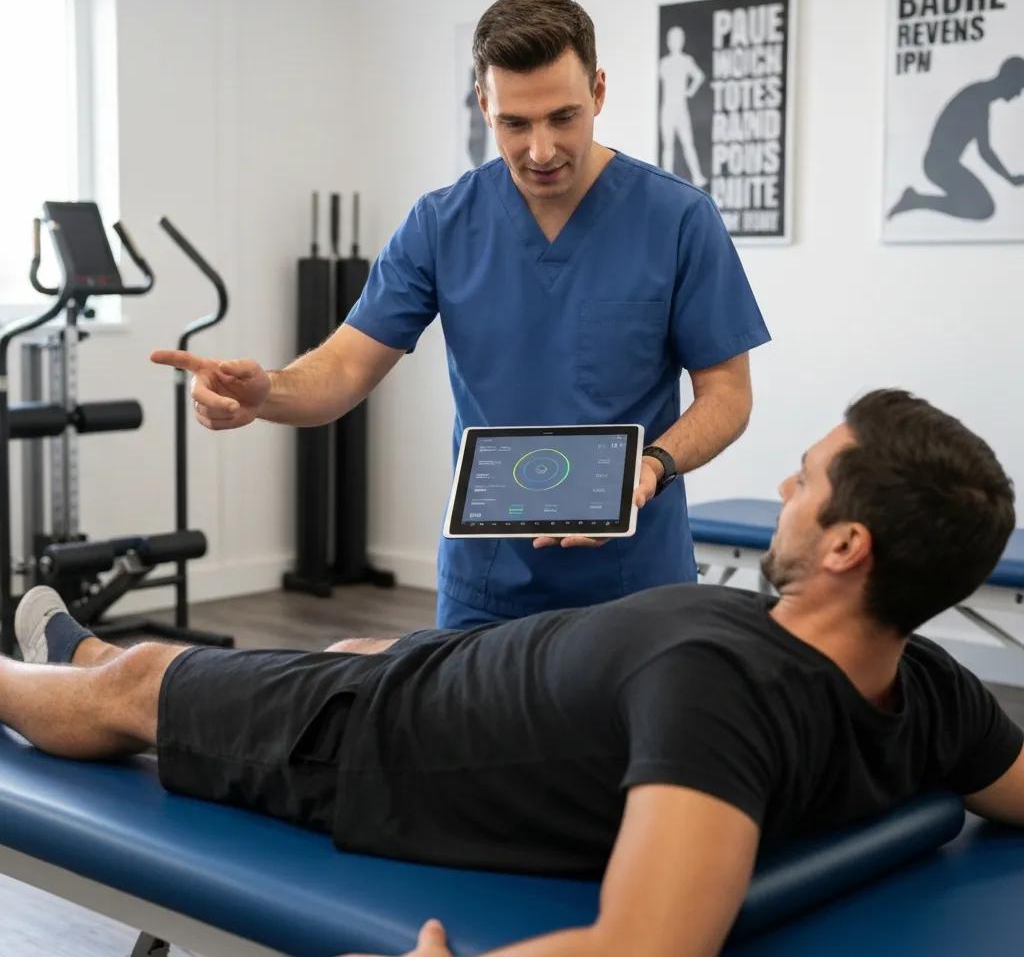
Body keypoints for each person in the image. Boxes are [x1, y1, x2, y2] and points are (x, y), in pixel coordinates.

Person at [4, 388, 1023, 957]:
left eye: (805, 479)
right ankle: (80, 647)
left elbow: (644, 945)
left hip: (373, 739)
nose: (782, 487)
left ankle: (65, 675)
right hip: (444, 671)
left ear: (846, 546)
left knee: (137, 690)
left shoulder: (722, 692)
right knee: (342, 646)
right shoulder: (930, 685)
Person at [150, 0, 770, 630]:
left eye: (563, 117)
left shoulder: (678, 219)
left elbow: (728, 394)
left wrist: (652, 466)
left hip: (635, 584)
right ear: (484, 105)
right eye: (515, 123)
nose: (541, 151)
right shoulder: (442, 224)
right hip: (486, 587)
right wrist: (266, 394)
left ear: (600, 92)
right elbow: (343, 370)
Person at [888, 56, 1024, 221]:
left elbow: (984, 150)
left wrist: (1009, 177)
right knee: (983, 208)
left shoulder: (980, 98)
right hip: (939, 165)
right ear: (1009, 79)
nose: (1018, 93)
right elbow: (985, 151)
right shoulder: (977, 100)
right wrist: (1008, 177)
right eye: (1019, 86)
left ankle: (916, 200)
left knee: (983, 208)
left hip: (942, 164)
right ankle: (916, 200)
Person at [659, 25, 707, 186]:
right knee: (668, 145)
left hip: (680, 108)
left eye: (678, 39)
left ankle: (697, 176)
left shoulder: (686, 61)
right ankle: (666, 179)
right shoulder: (664, 63)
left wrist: (690, 91)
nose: (675, 42)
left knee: (688, 143)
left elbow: (699, 76)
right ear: (668, 42)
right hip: (667, 108)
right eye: (673, 39)